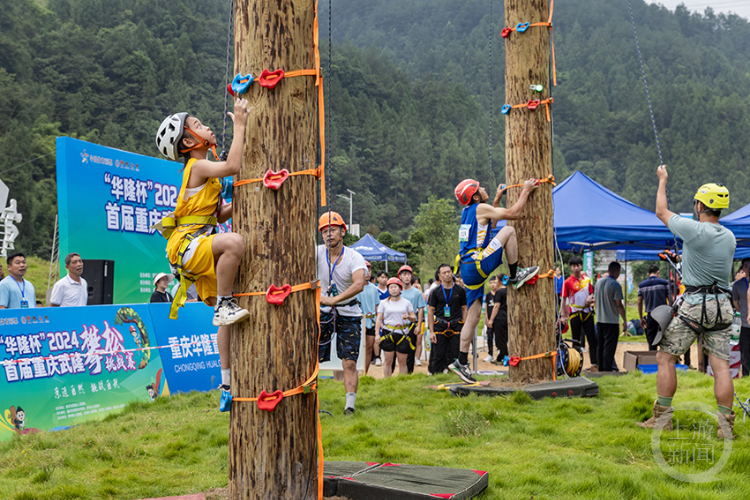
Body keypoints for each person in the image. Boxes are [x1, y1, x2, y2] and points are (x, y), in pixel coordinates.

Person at [155, 99, 251, 396]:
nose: (206, 126)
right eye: (198, 125)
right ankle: (224, 304)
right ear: (188, 141)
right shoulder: (197, 165)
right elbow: (233, 165)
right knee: (234, 242)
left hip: (195, 244)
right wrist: (241, 125)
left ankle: (226, 379)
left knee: (226, 316)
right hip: (186, 245)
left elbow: (218, 215)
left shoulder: (203, 173)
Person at [639, 167, 737, 438]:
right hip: (723, 305)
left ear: (701, 205)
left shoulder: (693, 229)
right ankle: (725, 428)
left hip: (695, 304)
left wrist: (662, 180)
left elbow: (661, 211)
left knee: (665, 357)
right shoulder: (729, 238)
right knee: (720, 366)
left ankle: (662, 420)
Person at [448, 178, 540, 383]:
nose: (483, 188)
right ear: (475, 196)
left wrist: (497, 198)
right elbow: (513, 214)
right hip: (478, 263)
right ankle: (515, 276)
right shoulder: (480, 208)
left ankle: (460, 362)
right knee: (509, 230)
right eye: (479, 187)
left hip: (467, 267)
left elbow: (491, 223)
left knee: (472, 316)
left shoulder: (468, 212)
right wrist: (525, 191)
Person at [317, 211, 366, 415]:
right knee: (312, 358)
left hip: (349, 311)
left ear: (342, 232)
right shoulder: (316, 252)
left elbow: (359, 283)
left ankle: (350, 406)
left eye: (333, 230)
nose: (329, 235)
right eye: (325, 231)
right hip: (322, 312)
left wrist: (334, 299)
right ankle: (310, 400)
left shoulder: (354, 257)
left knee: (349, 361)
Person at [428, 264, 468, 374]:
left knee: (455, 353)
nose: (447, 274)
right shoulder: (435, 292)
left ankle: (455, 376)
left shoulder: (460, 290)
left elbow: (464, 308)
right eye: (444, 273)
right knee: (438, 354)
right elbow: (430, 312)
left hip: (456, 324)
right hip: (440, 325)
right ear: (439, 276)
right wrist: (431, 332)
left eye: (449, 272)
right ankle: (436, 376)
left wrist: (465, 327)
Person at [560, 256, 597, 370]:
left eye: (578, 266)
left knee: (592, 339)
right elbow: (564, 299)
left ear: (581, 266)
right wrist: (563, 315)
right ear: (571, 267)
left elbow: (591, 292)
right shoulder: (567, 282)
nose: (576, 268)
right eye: (574, 266)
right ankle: (575, 365)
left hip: (587, 312)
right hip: (574, 313)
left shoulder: (587, 280)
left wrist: (590, 298)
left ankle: (594, 364)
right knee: (575, 340)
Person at [375, 277, 416, 377]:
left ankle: (402, 382)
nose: (393, 289)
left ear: (400, 288)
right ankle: (387, 382)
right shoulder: (383, 303)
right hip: (388, 332)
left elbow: (414, 318)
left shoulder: (406, 303)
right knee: (388, 361)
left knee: (402, 361)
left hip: (403, 333)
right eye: (391, 287)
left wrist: (409, 317)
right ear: (388, 289)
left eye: (395, 287)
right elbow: (379, 319)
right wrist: (377, 334)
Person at [594, 262, 627, 372]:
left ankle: (601, 367)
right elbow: (619, 305)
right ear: (617, 271)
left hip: (599, 319)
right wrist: (625, 320)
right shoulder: (615, 285)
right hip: (611, 321)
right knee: (609, 346)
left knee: (600, 345)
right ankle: (607, 369)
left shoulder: (598, 283)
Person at [397, 265, 425, 372]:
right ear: (400, 276)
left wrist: (418, 325)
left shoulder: (416, 292)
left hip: (412, 324)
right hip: (398, 325)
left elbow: (421, 309)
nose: (406, 277)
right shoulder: (397, 291)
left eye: (408, 274)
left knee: (411, 349)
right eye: (404, 274)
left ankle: (409, 372)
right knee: (399, 349)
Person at [638, 264, 670, 350]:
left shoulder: (642, 285)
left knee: (652, 343)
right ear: (658, 272)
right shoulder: (664, 283)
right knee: (666, 342)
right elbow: (671, 300)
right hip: (663, 316)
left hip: (650, 316)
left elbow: (639, 302)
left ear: (648, 274)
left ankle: (652, 361)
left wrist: (641, 318)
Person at [358, 261, 381, 374]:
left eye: (369, 270)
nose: (367, 273)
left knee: (369, 348)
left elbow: (377, 307)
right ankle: (356, 371)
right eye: (365, 270)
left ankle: (365, 373)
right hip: (359, 321)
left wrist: (379, 321)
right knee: (358, 348)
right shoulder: (356, 287)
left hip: (371, 321)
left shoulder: (374, 288)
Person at [488, 275, 508, 363]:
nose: (495, 281)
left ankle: (504, 356)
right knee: (505, 338)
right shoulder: (509, 290)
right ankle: (500, 357)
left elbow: (496, 306)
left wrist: (491, 320)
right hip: (507, 316)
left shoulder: (499, 292)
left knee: (500, 339)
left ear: (500, 281)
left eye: (496, 280)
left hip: (499, 317)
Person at [735, 258, 750, 377]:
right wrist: (743, 312)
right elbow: (735, 302)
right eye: (746, 266)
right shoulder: (738, 285)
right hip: (745, 323)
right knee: (745, 352)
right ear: (743, 268)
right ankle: (746, 376)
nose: (748, 268)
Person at [483, 277, 499, 363]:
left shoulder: (500, 293)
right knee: (489, 336)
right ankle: (490, 354)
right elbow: (486, 307)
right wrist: (486, 318)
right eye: (491, 283)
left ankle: (500, 352)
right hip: (489, 320)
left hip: (498, 319)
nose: (492, 284)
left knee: (499, 337)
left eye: (494, 282)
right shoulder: (488, 295)